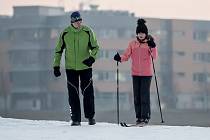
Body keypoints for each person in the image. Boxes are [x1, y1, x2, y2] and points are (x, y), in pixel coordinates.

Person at [53, 11, 99, 126]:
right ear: (72, 21)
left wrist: (91, 59)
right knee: (73, 93)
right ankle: (75, 119)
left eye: (80, 20)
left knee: (87, 92)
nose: (79, 23)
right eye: (76, 21)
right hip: (71, 68)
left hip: (85, 67)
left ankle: (90, 117)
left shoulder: (88, 31)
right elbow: (58, 50)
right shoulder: (65, 33)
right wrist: (56, 66)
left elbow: (95, 47)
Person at [113, 18, 158, 125]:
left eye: (143, 33)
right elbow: (126, 55)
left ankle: (145, 117)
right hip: (135, 73)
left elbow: (154, 57)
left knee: (144, 95)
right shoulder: (132, 44)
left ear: (146, 34)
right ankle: (139, 117)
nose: (141, 35)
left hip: (146, 75)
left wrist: (153, 47)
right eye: (139, 33)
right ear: (137, 34)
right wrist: (119, 58)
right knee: (137, 96)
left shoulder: (149, 43)